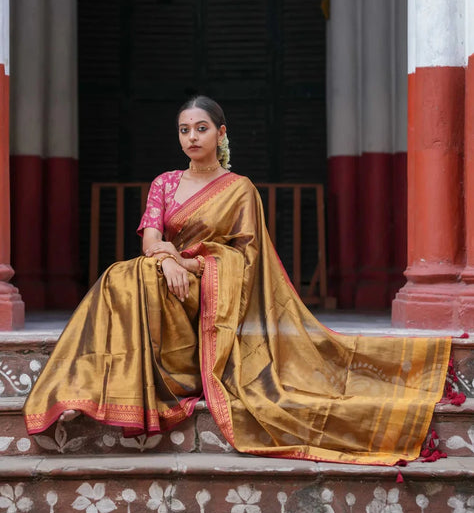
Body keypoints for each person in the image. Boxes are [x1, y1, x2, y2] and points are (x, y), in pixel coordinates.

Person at [23, 95, 451, 466]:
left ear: (220, 133)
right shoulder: (166, 183)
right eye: (184, 130)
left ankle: (172, 375)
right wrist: (169, 259)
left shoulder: (240, 188)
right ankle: (110, 382)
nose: (192, 137)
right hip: (167, 275)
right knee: (123, 275)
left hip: (210, 292)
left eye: (201, 128)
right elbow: (152, 236)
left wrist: (193, 265)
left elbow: (245, 258)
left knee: (136, 277)